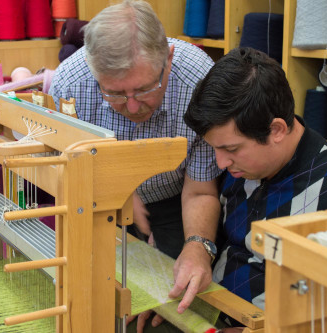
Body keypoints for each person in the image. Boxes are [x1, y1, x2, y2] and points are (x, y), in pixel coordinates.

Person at [184, 47, 327, 332]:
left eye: (230, 148)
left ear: (277, 130)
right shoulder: (243, 164)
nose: (220, 162)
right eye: (214, 148)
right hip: (208, 313)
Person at [49, 0, 223, 328]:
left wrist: (199, 245)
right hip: (96, 202)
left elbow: (200, 191)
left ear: (168, 60)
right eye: (114, 93)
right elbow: (65, 170)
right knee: (98, 306)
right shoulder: (69, 85)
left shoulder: (200, 81)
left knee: (178, 309)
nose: (131, 106)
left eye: (144, 89)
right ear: (92, 69)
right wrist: (116, 190)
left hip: (178, 201)